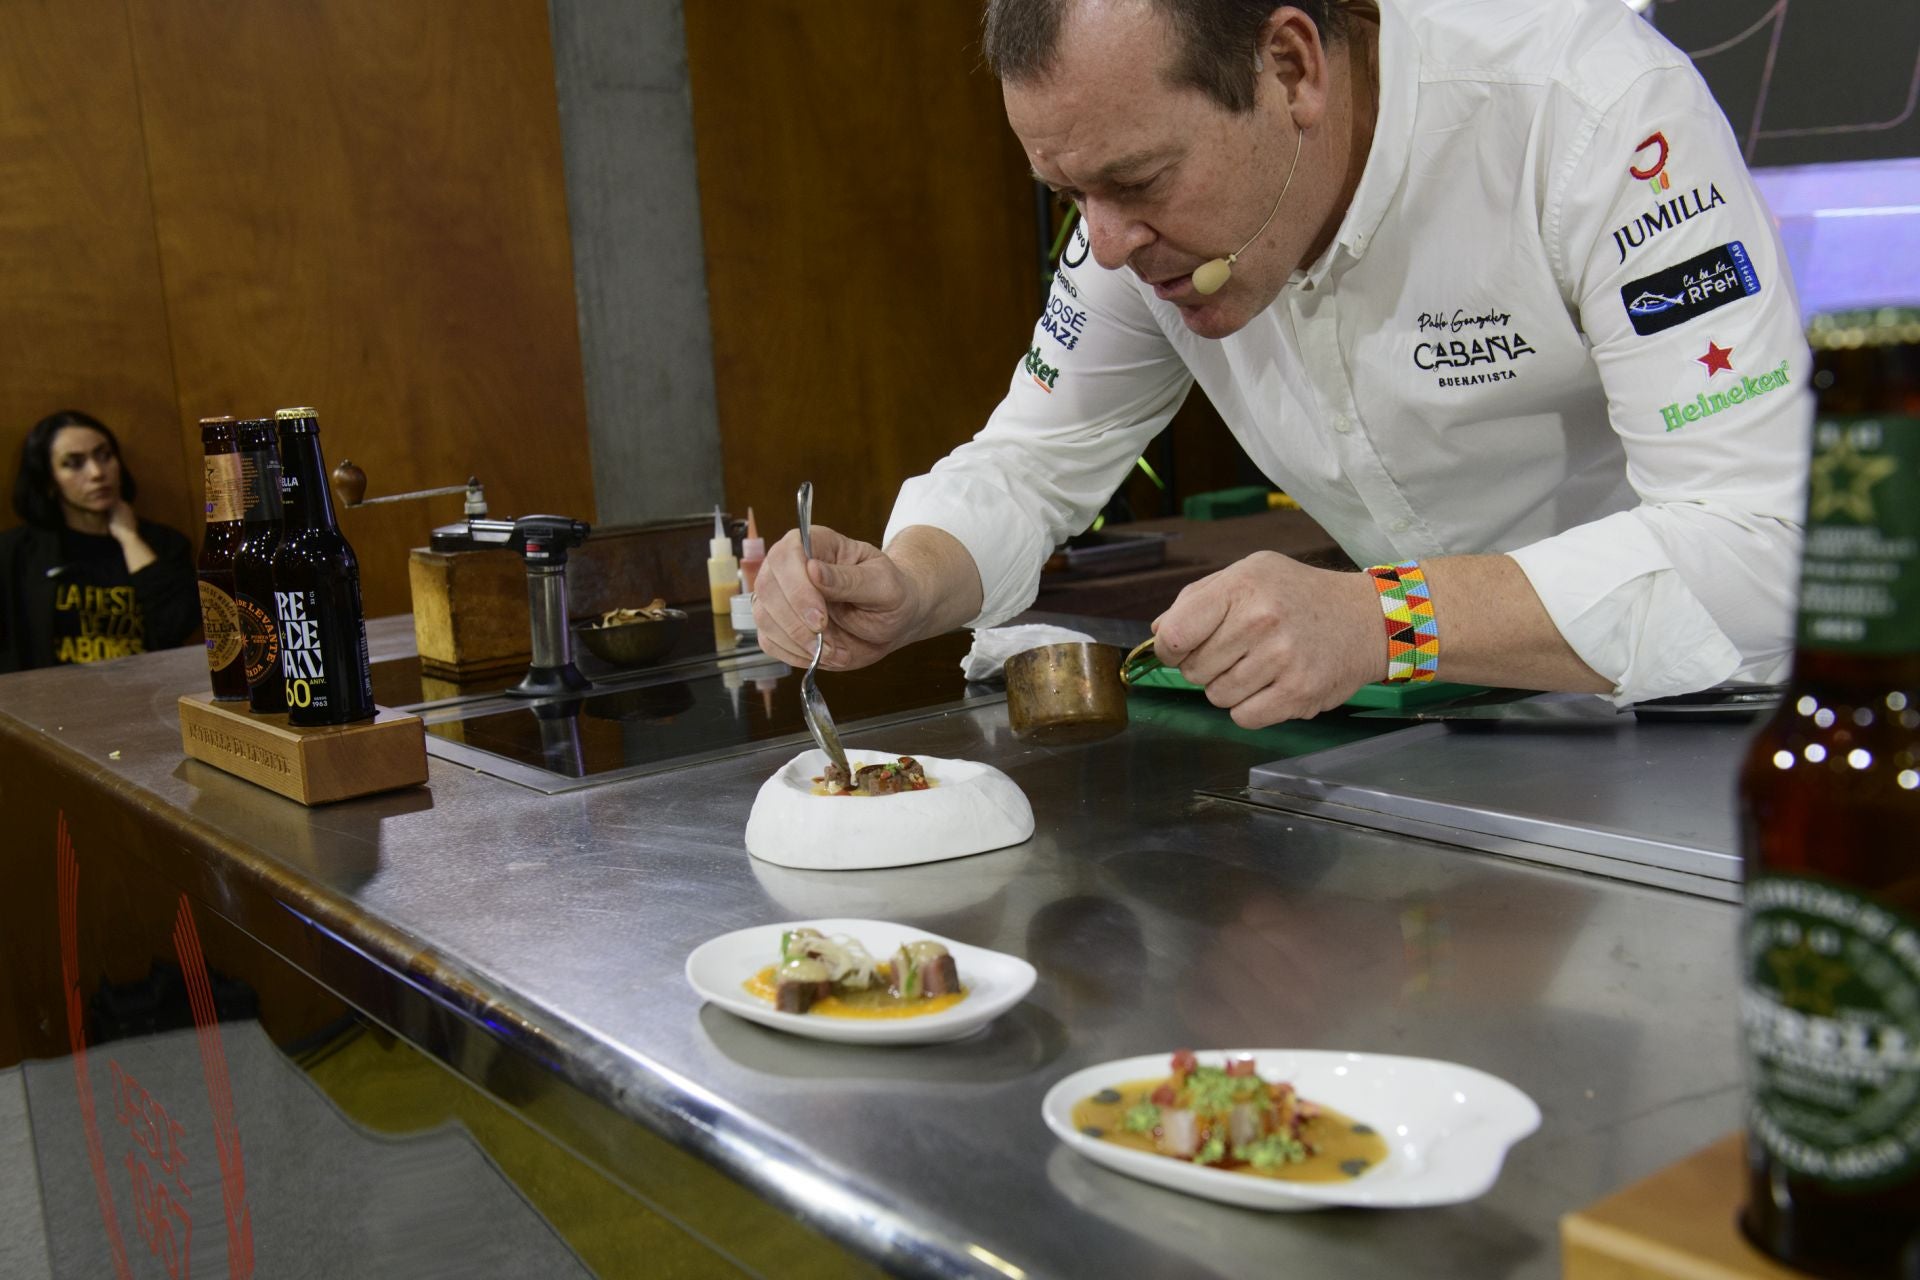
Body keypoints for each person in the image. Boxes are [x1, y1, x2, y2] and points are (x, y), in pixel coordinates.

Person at [753, 0, 1811, 727]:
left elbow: (1765, 552)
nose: (1106, 245)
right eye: (1072, 195)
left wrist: (1384, 616)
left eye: (1136, 180)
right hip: (1444, 751)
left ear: (1291, 67)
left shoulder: (1592, 116)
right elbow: (1032, 462)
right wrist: (911, 580)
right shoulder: (1130, 219)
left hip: (1705, 729)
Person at [0, 410, 198, 672]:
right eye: (74, 463)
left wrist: (129, 538)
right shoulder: (16, 553)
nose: (96, 473)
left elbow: (177, 625)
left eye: (104, 456)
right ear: (49, 480)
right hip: (52, 701)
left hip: (148, 693)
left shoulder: (163, 543)